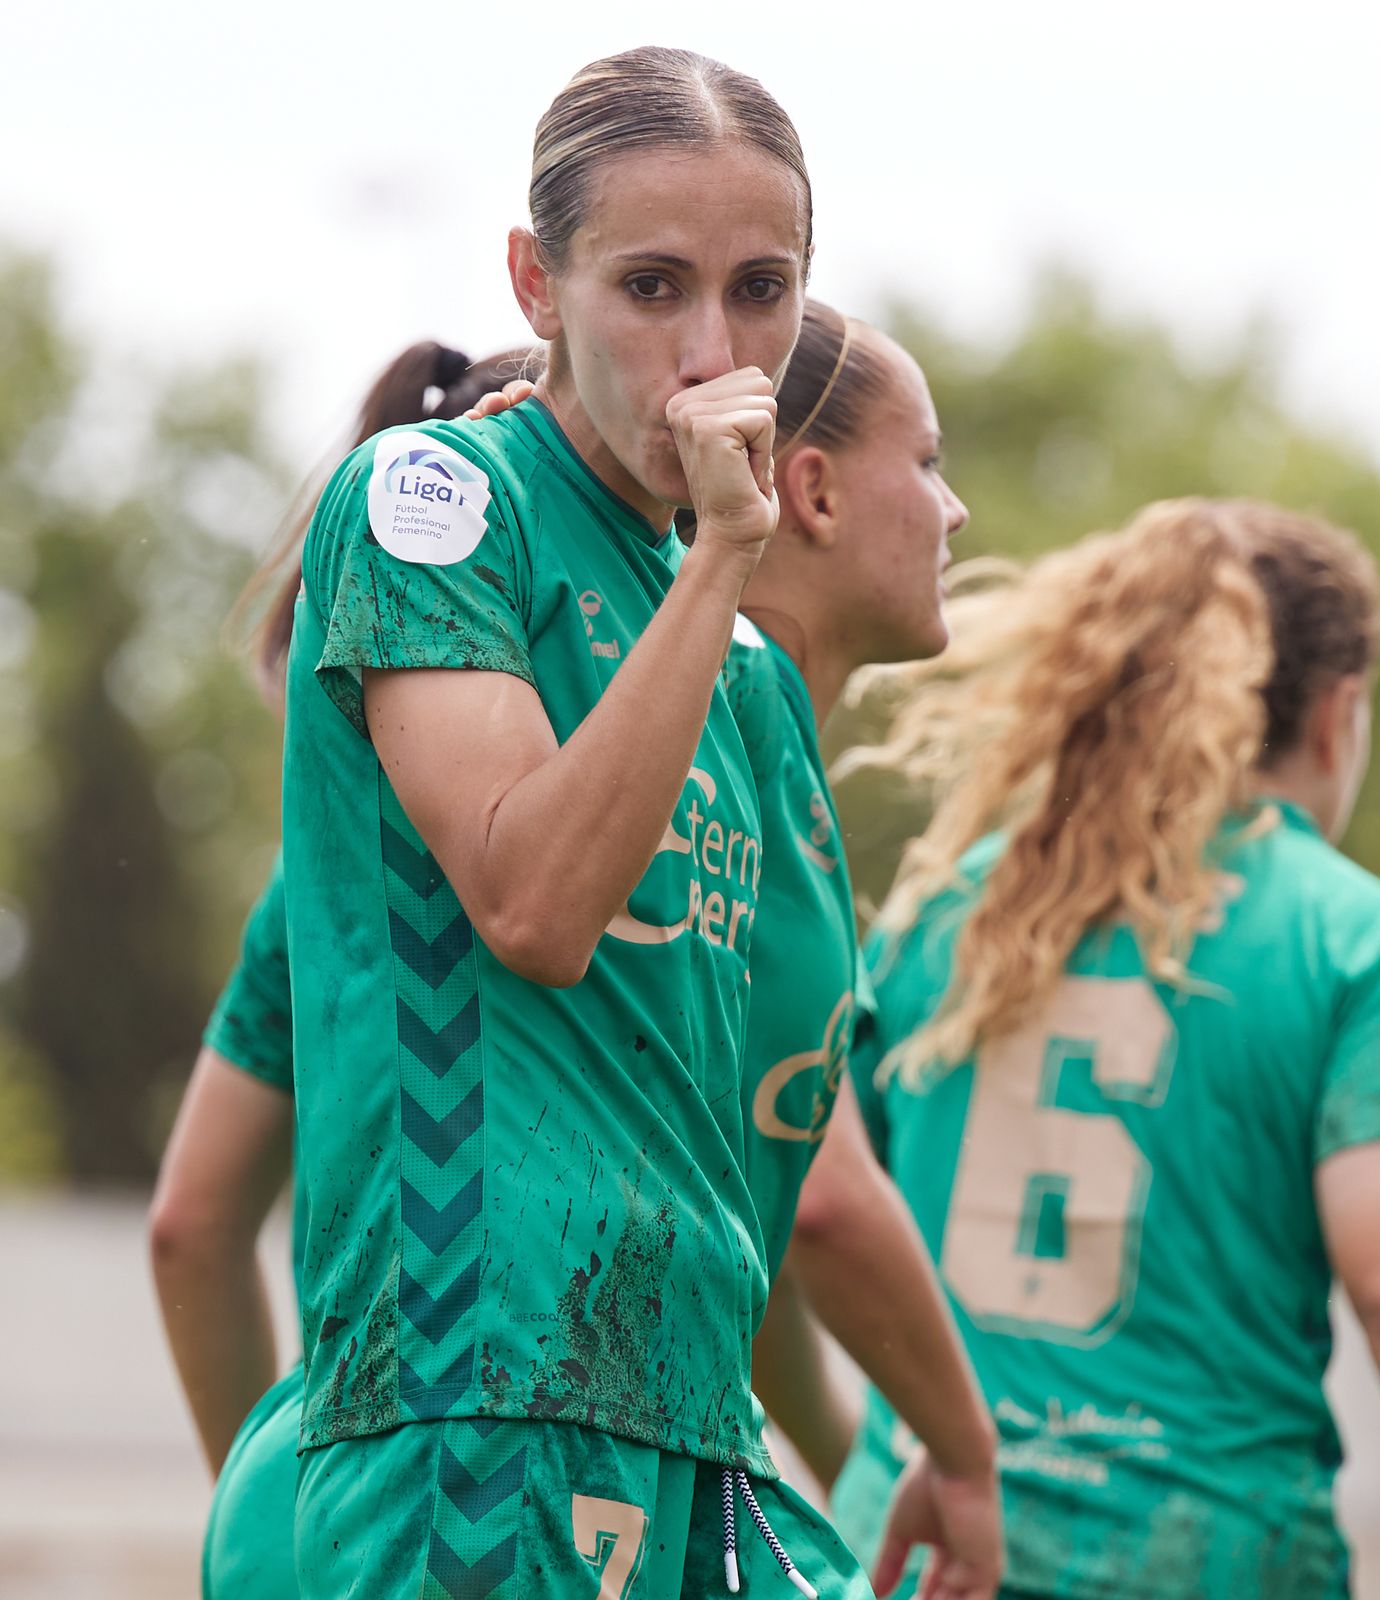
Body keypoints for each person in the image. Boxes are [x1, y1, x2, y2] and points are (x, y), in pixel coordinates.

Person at [279, 45, 893, 1600]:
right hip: (480, 1383)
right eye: (651, 287)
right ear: (535, 286)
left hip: (684, 1396)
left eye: (762, 290)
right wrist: (721, 558)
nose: (711, 349)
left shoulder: (734, 651)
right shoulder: (433, 501)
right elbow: (536, 906)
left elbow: (763, 1122)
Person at [830, 499, 1380, 1598]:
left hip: (919, 1554)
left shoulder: (947, 906)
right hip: (1198, 1560)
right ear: (1336, 715)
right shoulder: (1359, 943)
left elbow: (804, 1193)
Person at [474, 298, 1007, 1599]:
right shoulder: (710, 726)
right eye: (927, 462)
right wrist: (962, 1450)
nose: (956, 511)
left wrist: (827, 1473)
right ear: (809, 491)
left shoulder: (752, 733)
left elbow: (744, 1220)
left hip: (617, 1434)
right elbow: (823, 1196)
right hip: (541, 1443)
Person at [148, 341, 536, 1600]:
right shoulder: (686, 842)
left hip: (354, 1488)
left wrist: (268, 1493)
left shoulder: (314, 887)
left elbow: (192, 1224)